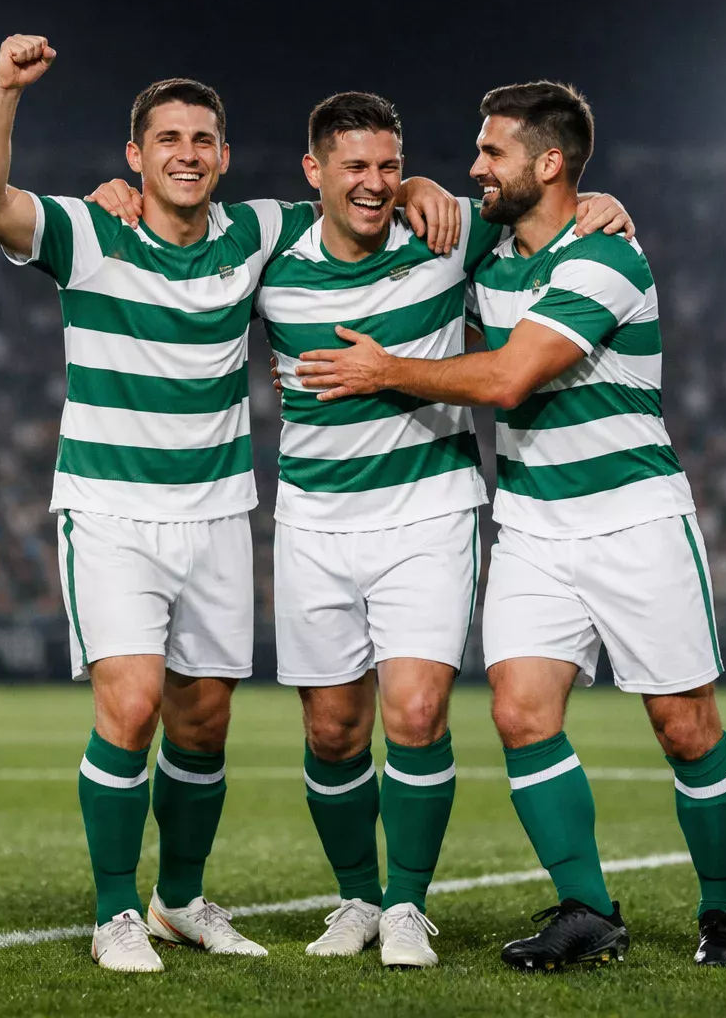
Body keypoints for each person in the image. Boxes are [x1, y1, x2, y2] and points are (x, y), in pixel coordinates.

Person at [90, 91, 632, 969]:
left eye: (391, 164)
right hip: (312, 518)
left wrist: (602, 203)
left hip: (428, 509)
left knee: (416, 712)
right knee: (333, 732)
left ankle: (408, 905)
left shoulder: (448, 232)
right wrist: (121, 194)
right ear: (315, 175)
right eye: (356, 168)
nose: (377, 184)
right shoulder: (270, 259)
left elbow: (545, 215)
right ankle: (357, 897)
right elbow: (179, 228)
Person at [0, 35, 453, 973]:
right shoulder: (89, 233)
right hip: (109, 511)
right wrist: (5, 93)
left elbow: (357, 196)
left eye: (204, 139)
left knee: (203, 722)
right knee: (132, 705)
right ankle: (115, 913)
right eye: (168, 138)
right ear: (134, 156)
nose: (187, 151)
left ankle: (179, 898)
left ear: (224, 158)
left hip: (222, 513)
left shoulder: (256, 233)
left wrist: (423, 185)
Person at [295, 81, 726, 970]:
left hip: (634, 519)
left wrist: (387, 371)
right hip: (534, 525)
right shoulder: (490, 250)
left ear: (549, 163)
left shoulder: (609, 259)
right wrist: (421, 182)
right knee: (519, 713)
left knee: (685, 725)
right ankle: (588, 908)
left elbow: (510, 379)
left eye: (493, 151)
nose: (476, 167)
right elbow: (407, 197)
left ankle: (724, 914)